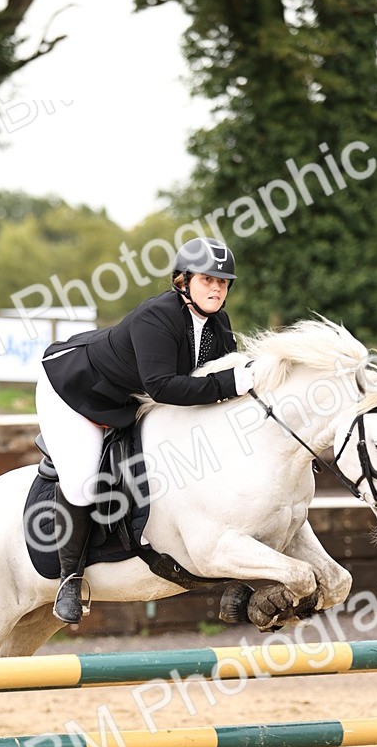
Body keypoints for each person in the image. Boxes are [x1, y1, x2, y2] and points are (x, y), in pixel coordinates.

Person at [35, 236, 254, 623]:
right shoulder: (159, 316)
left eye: (223, 282)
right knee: (84, 481)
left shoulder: (218, 324)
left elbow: (215, 382)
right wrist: (232, 383)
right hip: (76, 392)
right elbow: (164, 386)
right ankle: (69, 580)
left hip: (129, 399)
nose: (217, 288)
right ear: (182, 281)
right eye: (207, 280)